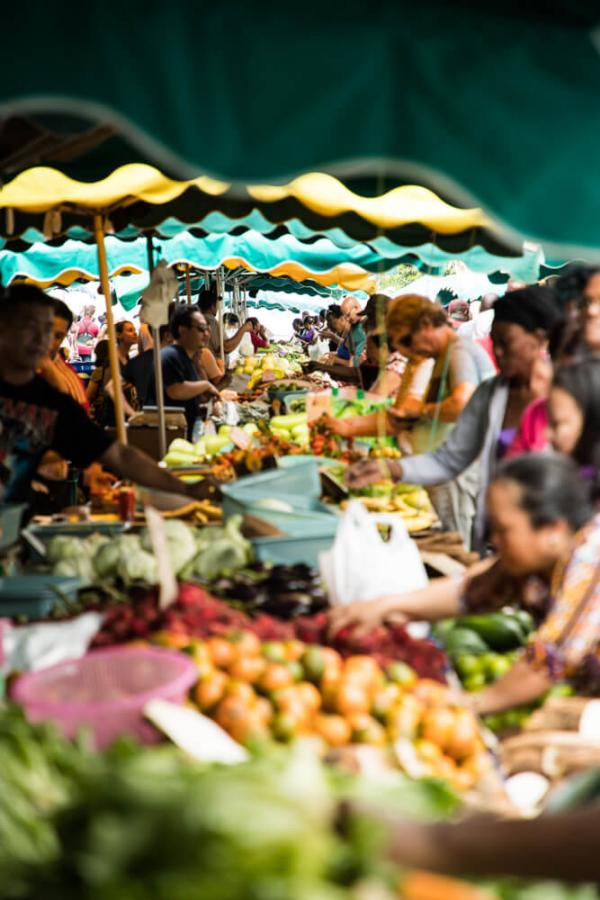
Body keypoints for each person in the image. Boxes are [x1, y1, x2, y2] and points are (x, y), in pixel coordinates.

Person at [332, 454, 600, 707]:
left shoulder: (591, 563)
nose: (494, 541)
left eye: (504, 530)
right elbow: (470, 592)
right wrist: (384, 606)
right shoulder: (544, 555)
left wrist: (471, 704)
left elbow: (549, 659)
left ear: (553, 529)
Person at [345, 286, 563, 550]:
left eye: (508, 342)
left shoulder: (570, 396)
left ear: (539, 339)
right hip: (500, 539)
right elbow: (450, 458)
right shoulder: (491, 393)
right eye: (496, 342)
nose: (499, 352)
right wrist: (389, 469)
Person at [0, 285, 218, 505]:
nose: (41, 339)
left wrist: (187, 489)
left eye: (48, 330)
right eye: (29, 327)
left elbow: (121, 456)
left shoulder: (53, 403)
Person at [331, 294, 496, 545]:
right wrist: (345, 427)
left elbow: (463, 403)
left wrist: (419, 411)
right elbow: (400, 419)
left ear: (427, 325)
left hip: (456, 477)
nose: (407, 350)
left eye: (407, 340)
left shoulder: (458, 352)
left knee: (456, 548)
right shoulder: (436, 357)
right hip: (436, 470)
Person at [157, 304, 221, 439]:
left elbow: (193, 396)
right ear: (182, 330)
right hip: (172, 437)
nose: (207, 334)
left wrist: (209, 397)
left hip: (190, 432)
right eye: (201, 329)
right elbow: (175, 391)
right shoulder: (170, 355)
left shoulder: (187, 358)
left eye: (207, 329)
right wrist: (206, 385)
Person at [38, 299, 89, 410]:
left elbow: (80, 423)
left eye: (58, 336)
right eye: (45, 331)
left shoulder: (69, 379)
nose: (49, 343)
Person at [121, 323, 172, 408]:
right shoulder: (174, 358)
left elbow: (111, 387)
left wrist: (132, 413)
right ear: (168, 335)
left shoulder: (138, 360)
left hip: (146, 414)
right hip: (170, 415)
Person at [197, 288, 253, 360]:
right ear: (212, 306)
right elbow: (225, 347)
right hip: (214, 367)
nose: (217, 308)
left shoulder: (200, 320)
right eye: (217, 305)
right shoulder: (210, 321)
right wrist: (243, 330)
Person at [340, 295, 366, 366]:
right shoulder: (352, 329)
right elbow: (352, 356)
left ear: (356, 308)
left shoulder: (372, 322)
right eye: (345, 317)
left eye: (348, 315)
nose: (347, 319)